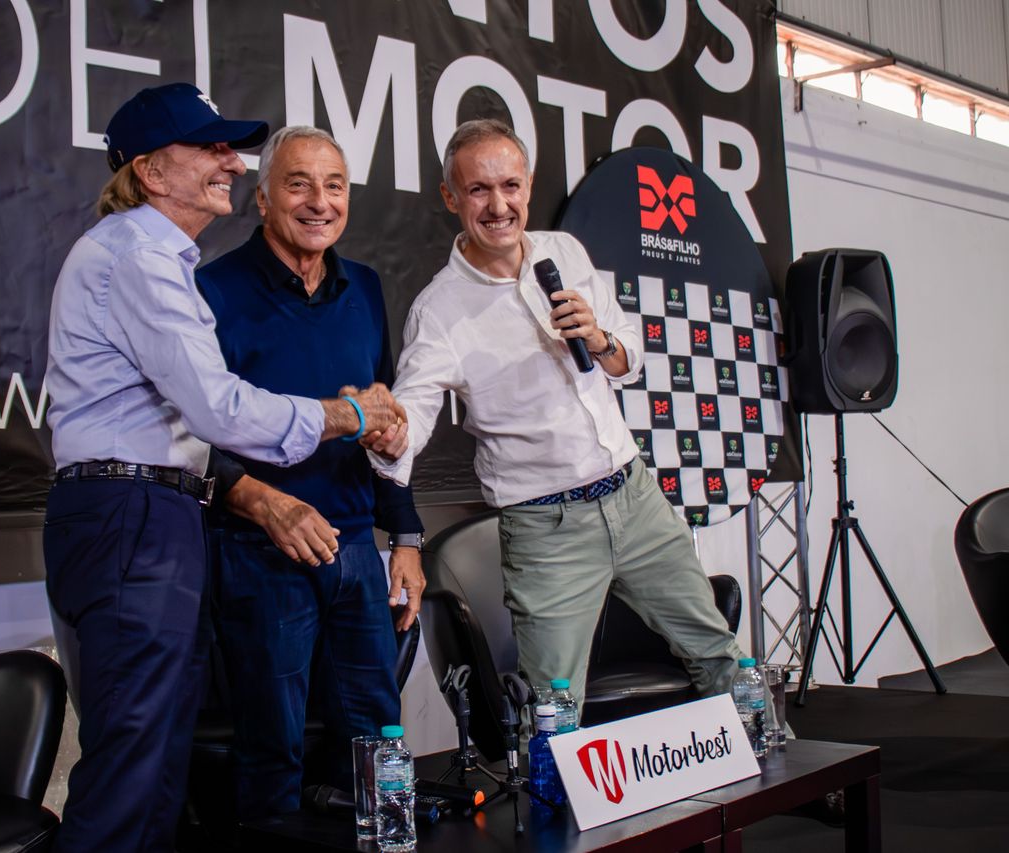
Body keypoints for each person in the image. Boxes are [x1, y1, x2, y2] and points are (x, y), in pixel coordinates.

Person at [42, 84, 405, 852]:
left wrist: (399, 516)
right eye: (209, 148)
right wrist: (348, 415)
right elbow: (220, 411)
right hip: (138, 519)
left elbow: (196, 421)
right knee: (135, 771)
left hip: (162, 516)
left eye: (229, 149)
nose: (231, 163)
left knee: (156, 772)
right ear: (150, 170)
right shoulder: (140, 255)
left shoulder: (159, 258)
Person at [372, 118, 742, 719]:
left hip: (635, 497)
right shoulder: (438, 311)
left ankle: (769, 758)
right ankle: (551, 787)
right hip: (548, 529)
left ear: (528, 185)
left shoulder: (563, 252)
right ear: (451, 197)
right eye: (478, 190)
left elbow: (626, 354)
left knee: (718, 654)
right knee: (553, 708)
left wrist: (598, 339)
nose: (499, 206)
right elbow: (412, 413)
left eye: (510, 186)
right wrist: (391, 433)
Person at [196, 126, 425, 820]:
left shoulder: (366, 289)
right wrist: (264, 505)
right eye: (298, 184)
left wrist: (406, 535)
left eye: (334, 186)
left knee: (378, 740)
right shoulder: (211, 290)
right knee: (273, 752)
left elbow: (380, 413)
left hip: (354, 550)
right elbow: (191, 433)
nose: (319, 202)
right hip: (258, 554)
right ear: (262, 198)